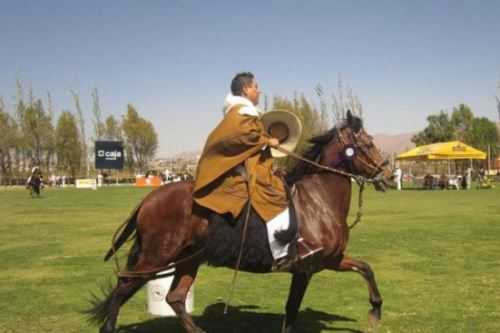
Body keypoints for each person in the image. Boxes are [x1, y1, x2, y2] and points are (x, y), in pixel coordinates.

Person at [193, 72, 321, 271]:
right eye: (255, 86)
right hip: (239, 171)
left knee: (280, 187)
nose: (259, 90)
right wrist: (267, 140)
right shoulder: (240, 113)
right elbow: (242, 137)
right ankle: (280, 251)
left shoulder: (243, 113)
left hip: (248, 167)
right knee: (276, 194)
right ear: (245, 89)